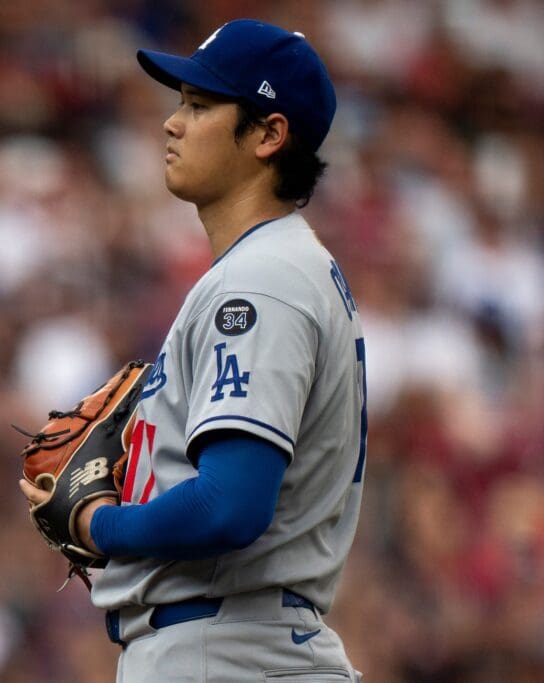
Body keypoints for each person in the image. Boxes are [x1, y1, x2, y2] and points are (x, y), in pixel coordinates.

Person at [20, 18, 367, 682]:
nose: (172, 124)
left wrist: (101, 524)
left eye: (201, 105)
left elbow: (229, 504)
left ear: (269, 134)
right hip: (242, 645)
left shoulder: (262, 280)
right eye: (180, 102)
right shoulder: (281, 266)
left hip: (224, 650)